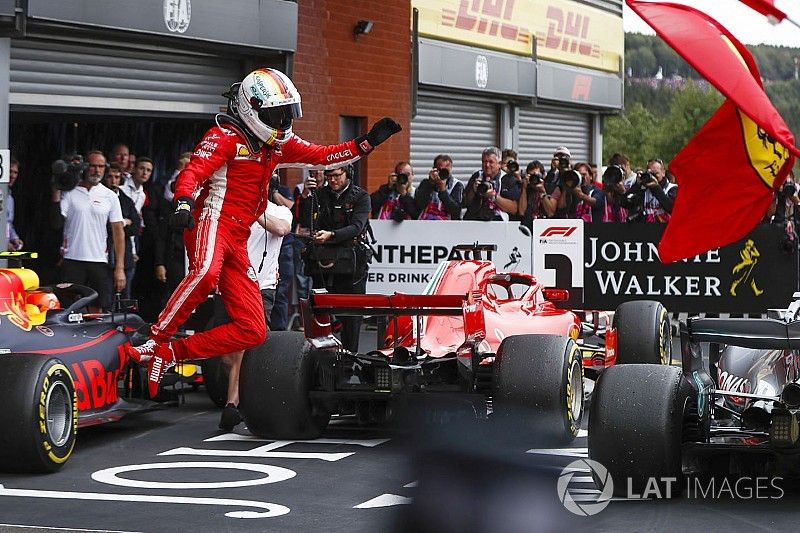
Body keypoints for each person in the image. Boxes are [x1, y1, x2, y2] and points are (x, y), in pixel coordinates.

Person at [124, 67, 401, 397]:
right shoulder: (223, 137)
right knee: (205, 275)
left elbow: (323, 156)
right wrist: (183, 202)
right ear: (250, 108)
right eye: (276, 113)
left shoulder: (279, 144)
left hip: (239, 237)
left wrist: (366, 143)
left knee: (253, 330)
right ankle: (154, 342)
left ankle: (170, 355)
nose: (283, 121)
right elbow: (193, 172)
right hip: (211, 221)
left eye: (287, 113)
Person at [215, 178, 293, 431]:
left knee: (243, 348)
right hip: (229, 286)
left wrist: (256, 210)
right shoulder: (234, 209)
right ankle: (248, 396)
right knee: (226, 357)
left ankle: (232, 405)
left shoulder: (280, 211)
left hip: (261, 287)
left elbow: (281, 229)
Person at [299, 164, 371, 352]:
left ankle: (350, 358)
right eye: (329, 176)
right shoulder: (320, 194)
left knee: (352, 316)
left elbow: (356, 226)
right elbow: (306, 221)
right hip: (323, 261)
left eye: (337, 176)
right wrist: (307, 195)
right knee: (320, 310)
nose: (333, 180)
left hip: (351, 262)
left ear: (348, 174)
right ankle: (321, 358)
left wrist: (331, 234)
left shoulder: (360, 196)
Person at [51, 150, 126, 312]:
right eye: (92, 166)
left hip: (99, 261)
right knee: (68, 310)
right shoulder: (69, 192)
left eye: (100, 166)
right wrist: (56, 188)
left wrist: (119, 267)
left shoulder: (109, 196)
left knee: (97, 310)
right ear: (85, 167)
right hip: (72, 259)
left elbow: (118, 232)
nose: (97, 170)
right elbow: (56, 222)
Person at [102, 163, 141, 307]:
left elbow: (137, 227)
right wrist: (124, 222)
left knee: (125, 301)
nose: (113, 180)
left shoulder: (126, 200)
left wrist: (120, 225)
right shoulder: (100, 196)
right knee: (106, 300)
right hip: (103, 256)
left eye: (117, 177)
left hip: (126, 258)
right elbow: (103, 227)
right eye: (110, 177)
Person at [463, 147, 519, 221]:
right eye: (484, 162)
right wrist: (473, 190)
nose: (487, 165)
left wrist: (494, 197)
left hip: (499, 222)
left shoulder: (509, 179)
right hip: (475, 219)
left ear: (499, 164)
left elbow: (514, 209)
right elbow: (466, 202)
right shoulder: (477, 176)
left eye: (491, 162)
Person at [414, 154, 463, 220]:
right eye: (440, 170)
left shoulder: (457, 185)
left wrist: (443, 191)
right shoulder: (426, 183)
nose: (442, 173)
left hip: (447, 225)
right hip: (426, 223)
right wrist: (430, 184)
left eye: (445, 170)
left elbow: (455, 211)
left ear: (451, 169)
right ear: (434, 169)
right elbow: (419, 205)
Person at [518, 160, 557, 229]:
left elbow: (550, 213)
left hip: (545, 227)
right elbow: (521, 212)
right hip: (527, 226)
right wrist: (524, 188)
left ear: (543, 176)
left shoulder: (550, 188)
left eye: (537, 176)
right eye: (532, 176)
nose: (534, 179)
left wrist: (542, 192)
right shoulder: (525, 189)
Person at [6, 158, 22, 251]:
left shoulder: (10, 199)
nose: (12, 176)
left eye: (15, 173)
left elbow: (8, 224)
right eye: (10, 171)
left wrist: (15, 238)